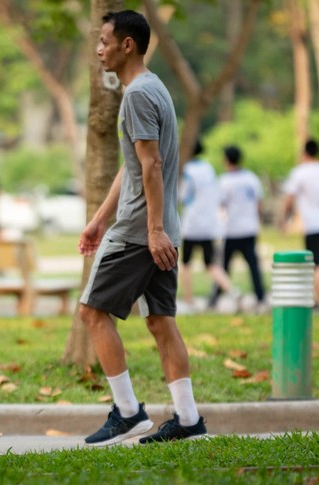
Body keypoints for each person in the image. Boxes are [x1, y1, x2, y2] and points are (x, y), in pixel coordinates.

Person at [78, 10, 206, 446]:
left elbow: (152, 165)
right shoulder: (155, 89)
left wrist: (151, 231)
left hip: (140, 233)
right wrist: (98, 219)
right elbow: (135, 167)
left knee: (92, 313)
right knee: (161, 323)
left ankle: (129, 413)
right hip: (162, 228)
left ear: (126, 45)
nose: (99, 49)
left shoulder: (135, 95)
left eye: (104, 41)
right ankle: (188, 420)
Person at [178, 140, 236, 311]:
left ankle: (189, 300)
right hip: (209, 224)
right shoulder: (208, 168)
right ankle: (232, 290)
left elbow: (182, 195)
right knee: (210, 263)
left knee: (186, 263)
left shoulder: (187, 169)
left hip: (191, 224)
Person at [209, 145, 265, 311]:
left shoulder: (224, 181)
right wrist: (257, 220)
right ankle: (260, 296)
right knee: (253, 265)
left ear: (226, 160)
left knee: (224, 266)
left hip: (231, 230)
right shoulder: (251, 178)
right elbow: (259, 203)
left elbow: (219, 205)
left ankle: (215, 299)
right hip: (249, 229)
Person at [281, 138, 319, 304]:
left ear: (304, 153)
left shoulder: (300, 172)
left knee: (316, 265)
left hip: (313, 225)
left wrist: (284, 218)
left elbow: (289, 198)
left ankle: (317, 300)